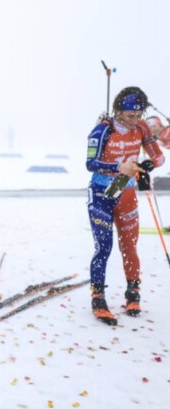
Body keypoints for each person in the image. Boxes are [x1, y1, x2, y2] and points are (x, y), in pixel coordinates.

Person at [86, 87, 165, 326]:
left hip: (127, 193)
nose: (134, 120)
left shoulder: (141, 128)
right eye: (130, 115)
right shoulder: (103, 130)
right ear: (118, 111)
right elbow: (90, 163)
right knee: (104, 246)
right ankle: (98, 298)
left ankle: (133, 294)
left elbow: (159, 158)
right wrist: (118, 167)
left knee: (129, 246)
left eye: (139, 115)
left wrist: (146, 165)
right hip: (101, 193)